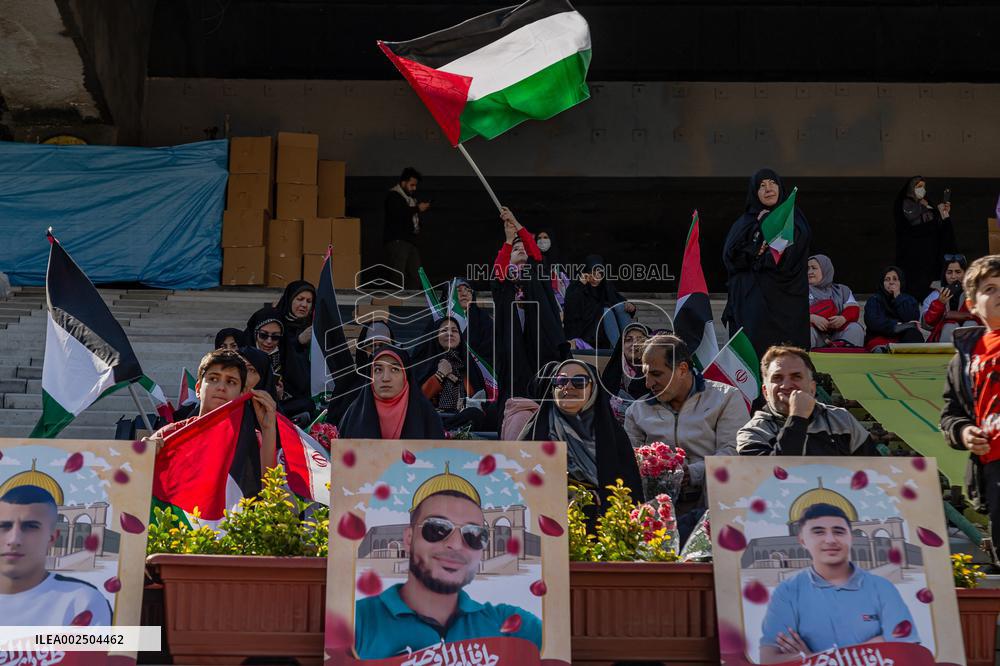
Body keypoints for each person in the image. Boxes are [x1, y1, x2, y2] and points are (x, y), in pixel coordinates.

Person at [354, 465, 541, 658]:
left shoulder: (510, 623)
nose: (455, 545)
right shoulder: (358, 620)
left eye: (473, 534)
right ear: (409, 538)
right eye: (437, 528)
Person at [758, 503, 918, 663]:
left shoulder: (882, 588)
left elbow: (905, 648)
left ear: (851, 537)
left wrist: (812, 659)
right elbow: (770, 659)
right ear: (802, 540)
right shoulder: (788, 591)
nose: (830, 540)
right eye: (818, 532)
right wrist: (878, 643)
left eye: (838, 532)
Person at [624, 335, 748, 531]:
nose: (648, 383)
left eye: (656, 374)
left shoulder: (726, 398)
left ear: (682, 369)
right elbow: (629, 460)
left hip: (714, 510)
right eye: (645, 374)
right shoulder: (636, 411)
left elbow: (734, 452)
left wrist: (693, 473)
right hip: (656, 515)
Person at [519, 359, 642, 507]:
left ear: (594, 389)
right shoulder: (533, 433)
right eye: (560, 380)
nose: (568, 387)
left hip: (602, 523)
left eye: (579, 381)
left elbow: (630, 497)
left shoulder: (614, 439)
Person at [940, 255, 1000, 556]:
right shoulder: (963, 358)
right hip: (993, 469)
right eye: (990, 288)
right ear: (971, 305)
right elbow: (950, 415)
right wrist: (964, 433)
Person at [146, 350, 277, 486]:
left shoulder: (252, 439)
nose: (221, 387)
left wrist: (268, 429)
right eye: (213, 379)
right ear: (198, 388)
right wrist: (142, 457)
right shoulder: (169, 435)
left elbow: (268, 491)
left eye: (231, 382)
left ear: (242, 393)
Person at [722, 168, 811, 359]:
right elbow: (731, 257)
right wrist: (756, 247)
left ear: (780, 187)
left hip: (787, 304)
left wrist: (768, 226)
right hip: (753, 305)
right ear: (755, 192)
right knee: (754, 358)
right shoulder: (745, 222)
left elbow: (788, 256)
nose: (768, 189)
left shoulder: (794, 219)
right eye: (762, 186)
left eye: (772, 183)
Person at [491, 207, 569, 411]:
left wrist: (516, 223)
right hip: (514, 347)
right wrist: (509, 240)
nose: (521, 250)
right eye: (516, 250)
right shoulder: (504, 282)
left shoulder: (536, 274)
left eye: (523, 249)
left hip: (540, 343)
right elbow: (498, 270)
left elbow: (535, 253)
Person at [0, 485, 113, 626]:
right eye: (4, 526)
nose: (14, 540)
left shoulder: (81, 601)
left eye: (30, 526)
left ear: (52, 538)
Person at [737, 346, 879, 456]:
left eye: (796, 376)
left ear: (812, 388)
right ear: (765, 392)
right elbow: (773, 479)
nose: (786, 385)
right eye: (777, 378)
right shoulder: (753, 433)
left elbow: (876, 471)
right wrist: (798, 418)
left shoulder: (842, 420)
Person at [338, 347, 446, 439]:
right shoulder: (353, 414)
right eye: (378, 370)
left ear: (405, 376)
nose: (385, 378)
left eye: (395, 369)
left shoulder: (427, 415)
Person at [412, 317, 487, 431]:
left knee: (475, 415)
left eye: (455, 331)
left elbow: (477, 396)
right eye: (444, 330)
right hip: (430, 418)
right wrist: (440, 375)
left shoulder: (468, 364)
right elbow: (416, 400)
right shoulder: (423, 363)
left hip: (462, 419)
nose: (450, 333)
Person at [895, 176, 957, 298]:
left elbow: (938, 226)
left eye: (923, 187)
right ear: (911, 188)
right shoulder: (906, 204)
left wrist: (942, 213)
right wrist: (923, 207)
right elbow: (913, 226)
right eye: (918, 187)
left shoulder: (927, 204)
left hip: (929, 257)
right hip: (912, 257)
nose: (922, 190)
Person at [563, 255, 636, 350]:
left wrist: (630, 306)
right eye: (593, 272)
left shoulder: (605, 286)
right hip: (584, 328)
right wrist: (581, 285)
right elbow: (571, 310)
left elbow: (617, 300)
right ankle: (618, 350)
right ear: (586, 272)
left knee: (621, 306)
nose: (596, 276)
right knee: (606, 311)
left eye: (600, 273)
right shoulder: (577, 286)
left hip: (602, 325)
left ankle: (630, 345)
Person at [384, 167, 430, 289]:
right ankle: (396, 304)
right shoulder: (394, 196)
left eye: (415, 185)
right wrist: (417, 209)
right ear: (403, 182)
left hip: (410, 241)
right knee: (398, 275)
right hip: (398, 240)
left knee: (417, 275)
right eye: (412, 185)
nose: (414, 188)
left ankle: (412, 303)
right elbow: (399, 213)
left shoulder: (410, 199)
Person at [807, 254, 864, 349]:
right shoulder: (800, 290)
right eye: (807, 268)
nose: (810, 272)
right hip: (815, 336)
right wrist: (812, 318)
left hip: (837, 335)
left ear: (826, 270)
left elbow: (853, 309)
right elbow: (793, 312)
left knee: (855, 328)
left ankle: (845, 359)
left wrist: (843, 318)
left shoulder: (842, 290)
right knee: (806, 330)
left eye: (814, 268)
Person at [920, 255, 979, 343]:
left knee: (970, 324)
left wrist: (950, 315)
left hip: (968, 334)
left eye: (958, 272)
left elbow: (984, 317)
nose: (953, 276)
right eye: (949, 272)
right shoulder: (935, 295)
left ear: (965, 273)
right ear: (944, 274)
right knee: (949, 326)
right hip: (944, 336)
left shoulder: (975, 293)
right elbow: (926, 325)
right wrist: (939, 303)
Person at [601, 322, 651, 424]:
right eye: (628, 340)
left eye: (640, 340)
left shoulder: (656, 375)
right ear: (622, 345)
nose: (634, 344)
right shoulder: (612, 373)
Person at [863, 267, 924, 351]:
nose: (891, 282)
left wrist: (898, 297)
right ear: (882, 283)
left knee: (914, 335)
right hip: (879, 338)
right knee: (879, 349)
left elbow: (911, 319)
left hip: (902, 338)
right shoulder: (874, 300)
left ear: (901, 282)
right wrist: (897, 325)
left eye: (895, 279)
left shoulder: (909, 300)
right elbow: (873, 322)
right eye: (887, 280)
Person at [445, 278, 494, 361]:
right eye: (458, 290)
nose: (464, 294)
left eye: (468, 290)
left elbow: (491, 351)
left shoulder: (483, 320)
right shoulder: (439, 319)